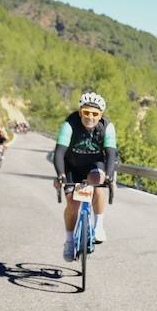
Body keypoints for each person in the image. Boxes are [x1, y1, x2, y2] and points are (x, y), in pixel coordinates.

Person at [53, 91, 117, 261]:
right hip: (71, 165)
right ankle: (69, 241)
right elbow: (59, 153)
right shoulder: (70, 124)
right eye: (87, 113)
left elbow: (111, 153)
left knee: (98, 185)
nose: (90, 117)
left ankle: (99, 225)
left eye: (95, 114)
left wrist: (109, 176)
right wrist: (60, 175)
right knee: (73, 204)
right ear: (80, 112)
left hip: (94, 165)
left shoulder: (107, 126)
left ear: (100, 115)